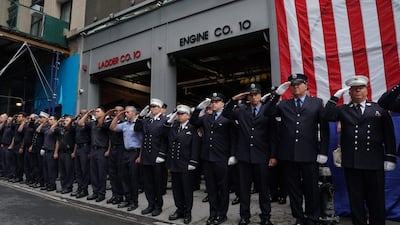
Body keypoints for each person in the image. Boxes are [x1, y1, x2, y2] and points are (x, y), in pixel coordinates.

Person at [324, 75, 396, 225]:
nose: (357, 91)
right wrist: (334, 98)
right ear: (349, 93)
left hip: (374, 162)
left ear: (366, 91)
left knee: (376, 199)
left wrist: (390, 157)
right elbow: (327, 115)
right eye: (353, 89)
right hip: (353, 162)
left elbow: (389, 135)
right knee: (356, 200)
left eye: (360, 88)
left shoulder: (378, 109)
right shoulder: (343, 110)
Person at [267, 74, 329, 225]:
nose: (296, 87)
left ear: (306, 85)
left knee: (311, 188)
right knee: (293, 189)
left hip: (309, 153)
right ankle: (299, 217)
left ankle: (312, 217)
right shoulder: (283, 104)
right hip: (288, 154)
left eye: (299, 84)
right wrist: (277, 96)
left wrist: (323, 152)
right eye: (293, 85)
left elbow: (325, 129)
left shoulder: (316, 103)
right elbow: (267, 112)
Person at [224, 83, 276, 225]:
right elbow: (226, 113)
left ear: (260, 95)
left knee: (264, 189)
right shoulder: (241, 110)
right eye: (251, 95)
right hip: (244, 156)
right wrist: (234, 99)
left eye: (256, 94)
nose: (253, 97)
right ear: (247, 97)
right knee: (244, 189)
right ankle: (244, 216)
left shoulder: (267, 110)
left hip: (262, 156)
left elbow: (272, 135)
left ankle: (265, 217)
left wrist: (273, 155)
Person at [191, 93, 234, 225]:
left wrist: (233, 155)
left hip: (222, 158)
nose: (214, 104)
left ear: (223, 103)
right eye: (212, 102)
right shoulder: (207, 117)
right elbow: (193, 122)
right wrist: (199, 109)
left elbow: (233, 137)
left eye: (217, 101)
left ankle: (222, 214)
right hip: (208, 158)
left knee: (223, 188)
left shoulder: (228, 117)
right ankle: (213, 213)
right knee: (211, 188)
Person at [162, 104, 200, 224]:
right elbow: (164, 132)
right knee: (176, 189)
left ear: (188, 116)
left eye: (182, 114)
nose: (179, 116)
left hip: (186, 164)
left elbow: (195, 146)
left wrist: (193, 161)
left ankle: (187, 212)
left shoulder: (192, 128)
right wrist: (171, 117)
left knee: (187, 190)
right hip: (174, 163)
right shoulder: (174, 127)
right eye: (178, 114)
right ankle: (179, 209)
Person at [134, 98, 168, 217]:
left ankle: (158, 206)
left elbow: (166, 139)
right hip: (146, 156)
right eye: (151, 107)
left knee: (157, 183)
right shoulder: (147, 120)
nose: (152, 109)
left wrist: (162, 154)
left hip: (157, 157)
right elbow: (136, 128)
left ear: (159, 108)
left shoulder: (165, 120)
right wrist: (140, 116)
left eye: (154, 107)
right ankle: (150, 204)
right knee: (147, 183)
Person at [110, 106, 142, 212]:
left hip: (135, 152)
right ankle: (127, 199)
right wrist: (117, 116)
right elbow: (112, 127)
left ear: (133, 113)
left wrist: (140, 156)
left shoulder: (138, 124)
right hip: (125, 152)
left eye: (127, 112)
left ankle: (134, 202)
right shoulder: (124, 124)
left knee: (133, 178)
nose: (125, 113)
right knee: (124, 177)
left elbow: (143, 142)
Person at [78, 107, 110, 202]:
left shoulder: (106, 123)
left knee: (101, 173)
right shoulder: (92, 123)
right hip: (93, 150)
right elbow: (80, 123)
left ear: (103, 113)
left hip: (102, 150)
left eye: (98, 111)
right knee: (94, 173)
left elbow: (106, 131)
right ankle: (95, 192)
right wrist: (87, 114)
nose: (95, 113)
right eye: (95, 111)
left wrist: (108, 150)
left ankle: (101, 193)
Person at [105, 106, 125, 206]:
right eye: (115, 111)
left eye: (119, 111)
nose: (116, 113)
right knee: (112, 173)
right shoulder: (112, 121)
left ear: (123, 112)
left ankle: (120, 196)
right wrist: (108, 113)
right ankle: (114, 194)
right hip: (113, 149)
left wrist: (117, 117)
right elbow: (104, 126)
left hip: (121, 149)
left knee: (120, 174)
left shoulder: (125, 123)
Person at [53, 115, 76, 194]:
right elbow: (52, 130)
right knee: (62, 171)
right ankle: (63, 187)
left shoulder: (72, 129)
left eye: (67, 120)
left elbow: (76, 142)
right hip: (61, 152)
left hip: (68, 152)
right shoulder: (60, 129)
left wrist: (74, 152)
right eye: (65, 120)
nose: (65, 122)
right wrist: (58, 122)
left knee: (68, 171)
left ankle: (68, 187)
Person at [36, 113, 58, 191]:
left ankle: (52, 185)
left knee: (51, 169)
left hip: (51, 150)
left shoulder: (56, 128)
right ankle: (47, 184)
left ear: (55, 120)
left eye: (51, 119)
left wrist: (56, 152)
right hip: (45, 150)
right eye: (49, 119)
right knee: (45, 169)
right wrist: (43, 122)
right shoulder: (47, 127)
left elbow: (57, 141)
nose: (49, 120)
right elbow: (38, 130)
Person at [73, 109, 91, 198]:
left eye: (83, 113)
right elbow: (76, 139)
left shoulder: (88, 123)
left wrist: (90, 151)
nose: (81, 114)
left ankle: (84, 189)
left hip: (85, 147)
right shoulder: (77, 124)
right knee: (78, 170)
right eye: (80, 113)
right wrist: (74, 151)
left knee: (84, 170)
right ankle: (80, 188)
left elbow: (91, 139)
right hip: (78, 148)